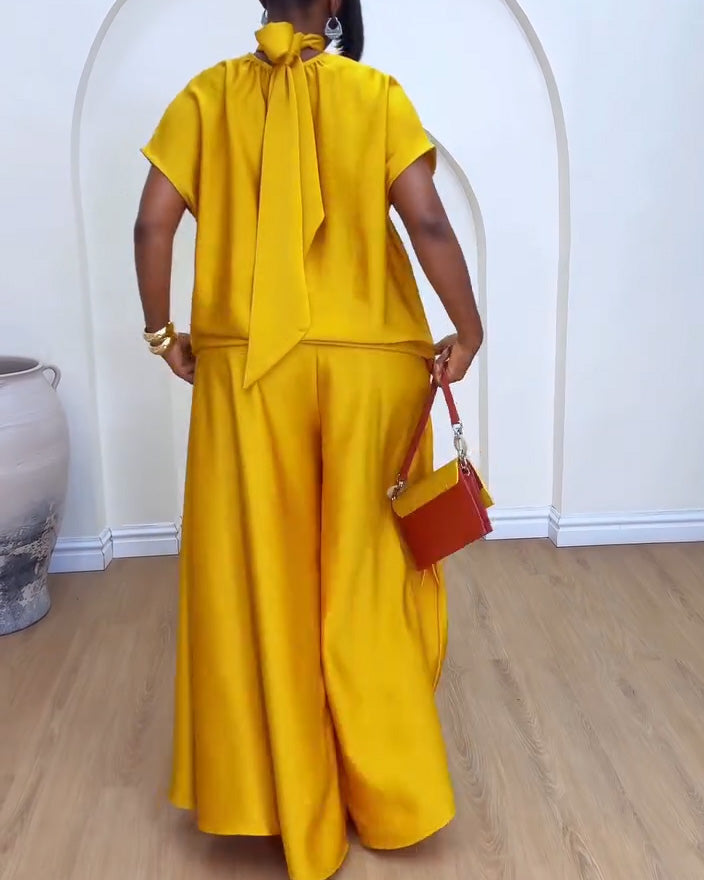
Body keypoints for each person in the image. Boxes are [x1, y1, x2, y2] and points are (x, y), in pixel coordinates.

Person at [134, 1, 483, 878]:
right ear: (335, 4)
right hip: (370, 367)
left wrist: (163, 334)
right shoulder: (375, 94)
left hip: (247, 371)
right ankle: (391, 796)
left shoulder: (207, 96)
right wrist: (469, 328)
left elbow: (152, 224)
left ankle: (280, 797)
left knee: (264, 576)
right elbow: (428, 222)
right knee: (363, 579)